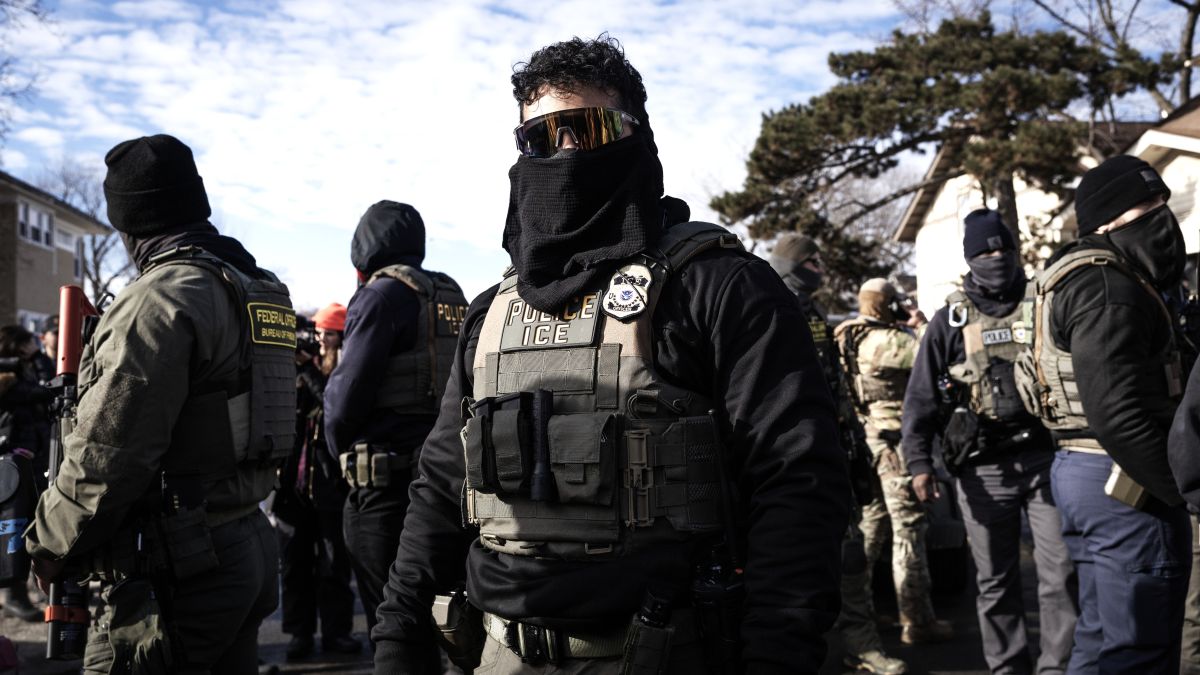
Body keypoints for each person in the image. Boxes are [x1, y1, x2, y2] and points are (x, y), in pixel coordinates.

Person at [371, 35, 850, 674]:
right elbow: (439, 484)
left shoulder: (719, 286)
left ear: (636, 138)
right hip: (496, 653)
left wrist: (778, 654)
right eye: (539, 139)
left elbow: (798, 484)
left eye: (587, 127)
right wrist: (398, 636)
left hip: (667, 652)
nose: (563, 152)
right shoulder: (491, 313)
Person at [24, 134, 293, 672]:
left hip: (184, 564)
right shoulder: (257, 287)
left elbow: (110, 452)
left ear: (129, 223)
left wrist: (48, 545)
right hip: (247, 543)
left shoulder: (161, 299)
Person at [1030, 156, 1189, 671]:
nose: (1163, 218)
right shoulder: (1108, 288)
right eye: (1148, 208)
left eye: (1163, 203)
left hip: (1087, 473)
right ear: (1107, 221)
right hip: (1123, 480)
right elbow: (1118, 412)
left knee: (1100, 639)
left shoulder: (1082, 276)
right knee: (1139, 647)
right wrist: (1182, 490)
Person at [902, 208, 1076, 674]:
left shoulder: (1043, 303)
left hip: (1047, 459)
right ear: (970, 258)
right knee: (996, 582)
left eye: (1003, 248)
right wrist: (919, 463)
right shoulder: (950, 320)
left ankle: (1056, 667)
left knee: (1060, 573)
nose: (996, 257)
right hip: (983, 469)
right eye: (985, 251)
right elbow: (919, 397)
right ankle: (1007, 668)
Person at [323, 200, 469, 662]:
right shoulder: (451, 295)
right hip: (448, 488)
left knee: (394, 629)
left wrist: (338, 451)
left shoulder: (381, 295)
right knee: (450, 623)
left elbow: (344, 401)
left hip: (386, 492)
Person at [769, 237, 911, 675]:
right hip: (782, 460)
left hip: (832, 446)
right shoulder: (765, 306)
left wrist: (849, 439)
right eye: (810, 262)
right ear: (790, 265)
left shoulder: (811, 312)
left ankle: (861, 644)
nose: (819, 269)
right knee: (785, 563)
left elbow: (835, 384)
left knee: (850, 554)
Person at [834, 278, 949, 648]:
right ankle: (917, 621)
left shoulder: (845, 337)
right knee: (909, 532)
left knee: (872, 529)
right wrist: (919, 321)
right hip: (895, 447)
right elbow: (935, 352)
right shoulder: (891, 341)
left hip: (865, 443)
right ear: (886, 304)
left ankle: (861, 614)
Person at [275, 304, 359, 660]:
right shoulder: (294, 371)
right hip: (293, 487)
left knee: (332, 566)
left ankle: (337, 633)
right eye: (319, 333)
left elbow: (334, 411)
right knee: (295, 566)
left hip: (331, 488)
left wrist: (309, 369)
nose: (321, 340)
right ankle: (299, 634)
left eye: (329, 333)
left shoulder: (346, 372)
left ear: (342, 336)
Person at [0, 325, 51, 622]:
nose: (35, 344)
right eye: (29, 342)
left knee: (32, 523)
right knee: (14, 528)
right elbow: (47, 391)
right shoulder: (8, 378)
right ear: (17, 346)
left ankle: (28, 588)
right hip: (13, 463)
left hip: (30, 460)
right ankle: (13, 594)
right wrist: (38, 360)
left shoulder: (23, 371)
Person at [32, 315, 57, 384]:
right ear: (43, 338)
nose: (62, 336)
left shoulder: (75, 363)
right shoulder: (37, 363)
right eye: (56, 333)